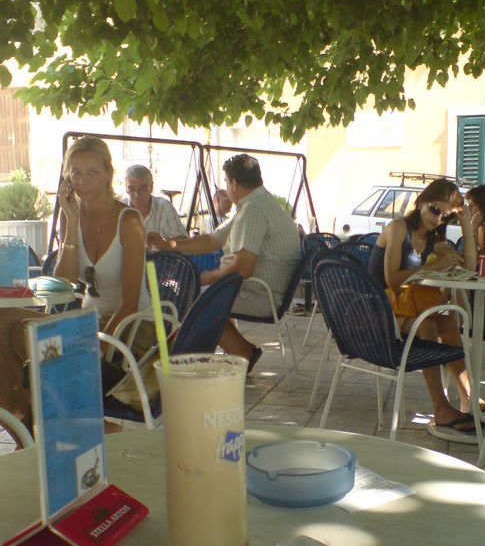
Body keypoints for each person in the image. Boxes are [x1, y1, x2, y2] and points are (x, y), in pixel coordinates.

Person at [0, 136, 152, 443]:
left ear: (109, 174)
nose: (82, 181)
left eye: (92, 172)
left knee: (24, 334)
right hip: (87, 324)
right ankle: (28, 433)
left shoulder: (129, 220)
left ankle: (38, 432)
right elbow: (66, 280)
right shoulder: (73, 214)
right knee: (4, 323)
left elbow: (130, 303)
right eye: (76, 173)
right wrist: (70, 220)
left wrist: (99, 346)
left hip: (130, 332)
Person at [151, 154, 301, 372]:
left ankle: (198, 364)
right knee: (203, 297)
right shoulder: (256, 203)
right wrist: (169, 245)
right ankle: (244, 352)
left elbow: (244, 268)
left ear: (234, 183)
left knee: (190, 299)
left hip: (262, 295)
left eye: (226, 182)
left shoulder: (253, 210)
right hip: (264, 291)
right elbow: (213, 240)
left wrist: (209, 277)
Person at [368, 178, 485, 433]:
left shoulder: (432, 239)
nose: (438, 219)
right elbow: (393, 279)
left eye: (446, 216)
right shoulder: (398, 228)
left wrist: (467, 226)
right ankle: (440, 407)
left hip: (402, 308)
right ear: (422, 201)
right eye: (435, 210)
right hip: (377, 312)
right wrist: (433, 265)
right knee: (428, 325)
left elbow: (468, 268)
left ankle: (469, 396)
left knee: (446, 320)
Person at [124, 164, 189, 249]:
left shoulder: (164, 207)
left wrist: (164, 244)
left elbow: (184, 242)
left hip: (160, 257)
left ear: (151, 187)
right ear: (126, 189)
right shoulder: (119, 210)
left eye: (142, 189)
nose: (136, 194)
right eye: (131, 189)